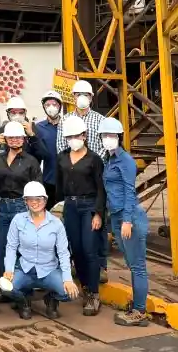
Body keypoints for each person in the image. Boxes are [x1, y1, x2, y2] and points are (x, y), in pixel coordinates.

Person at [1, 182, 80, 320]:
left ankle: (51, 298)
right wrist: (9, 270)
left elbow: (63, 253)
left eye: (38, 199)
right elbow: (11, 247)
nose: (35, 202)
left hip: (48, 270)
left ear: (45, 200)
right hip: (25, 269)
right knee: (6, 288)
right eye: (30, 199)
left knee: (70, 293)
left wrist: (67, 279)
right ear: (25, 201)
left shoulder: (56, 224)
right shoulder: (18, 220)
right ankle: (24, 301)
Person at [56, 80, 108, 282]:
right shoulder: (65, 120)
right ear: (73, 97)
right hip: (73, 184)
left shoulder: (100, 120)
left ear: (92, 98)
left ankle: (99, 269)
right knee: (75, 241)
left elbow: (103, 148)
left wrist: (91, 164)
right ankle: (81, 271)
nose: (82, 98)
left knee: (96, 233)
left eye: (85, 94)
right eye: (78, 94)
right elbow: (61, 148)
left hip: (94, 178)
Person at [100, 116, 150, 327]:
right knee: (131, 264)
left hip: (130, 218)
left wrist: (127, 221)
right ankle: (137, 306)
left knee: (137, 266)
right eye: (104, 136)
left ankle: (140, 312)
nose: (108, 139)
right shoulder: (109, 159)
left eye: (112, 135)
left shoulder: (126, 161)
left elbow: (130, 191)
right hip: (118, 216)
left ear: (119, 137)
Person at [54, 113, 105, 317]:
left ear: (84, 135)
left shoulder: (94, 159)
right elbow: (58, 186)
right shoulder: (62, 158)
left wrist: (98, 214)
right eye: (69, 137)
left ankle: (93, 294)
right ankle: (84, 286)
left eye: (76, 135)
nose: (73, 140)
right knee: (75, 249)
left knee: (89, 249)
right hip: (70, 206)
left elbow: (101, 189)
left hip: (89, 206)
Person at [0, 121, 42, 302]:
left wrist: (37, 212)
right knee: (1, 250)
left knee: (21, 251)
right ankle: (6, 289)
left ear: (24, 139)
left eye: (18, 137)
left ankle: (23, 291)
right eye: (11, 137)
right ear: (6, 139)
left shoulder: (31, 161)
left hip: (22, 208)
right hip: (2, 208)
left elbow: (38, 188)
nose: (15, 140)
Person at [0, 97, 46, 163]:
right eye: (13, 112)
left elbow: (43, 155)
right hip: (5, 171)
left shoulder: (33, 129)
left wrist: (32, 136)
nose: (17, 115)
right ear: (8, 114)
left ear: (25, 113)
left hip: (29, 171)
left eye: (21, 112)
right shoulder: (1, 131)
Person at [35, 91, 63, 207]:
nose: (51, 107)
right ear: (44, 107)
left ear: (60, 106)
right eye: (47, 105)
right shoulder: (38, 128)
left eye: (54, 104)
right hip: (48, 180)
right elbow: (36, 155)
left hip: (68, 180)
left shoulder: (67, 123)